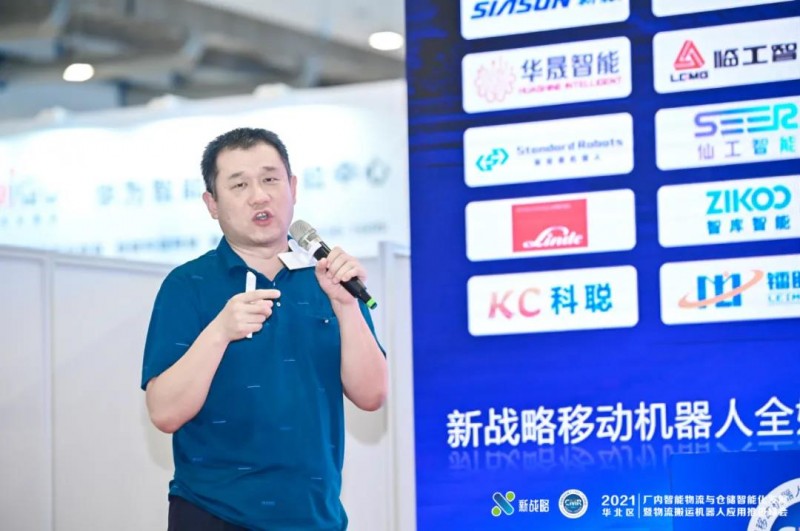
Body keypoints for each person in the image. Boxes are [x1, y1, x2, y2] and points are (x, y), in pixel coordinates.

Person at [141, 127, 388, 531]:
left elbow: (372, 394)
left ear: (293, 187)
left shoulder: (329, 279)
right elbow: (164, 412)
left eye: (271, 179)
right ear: (212, 204)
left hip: (315, 517)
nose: (259, 196)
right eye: (239, 185)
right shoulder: (188, 285)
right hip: (213, 514)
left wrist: (347, 307)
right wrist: (220, 331)